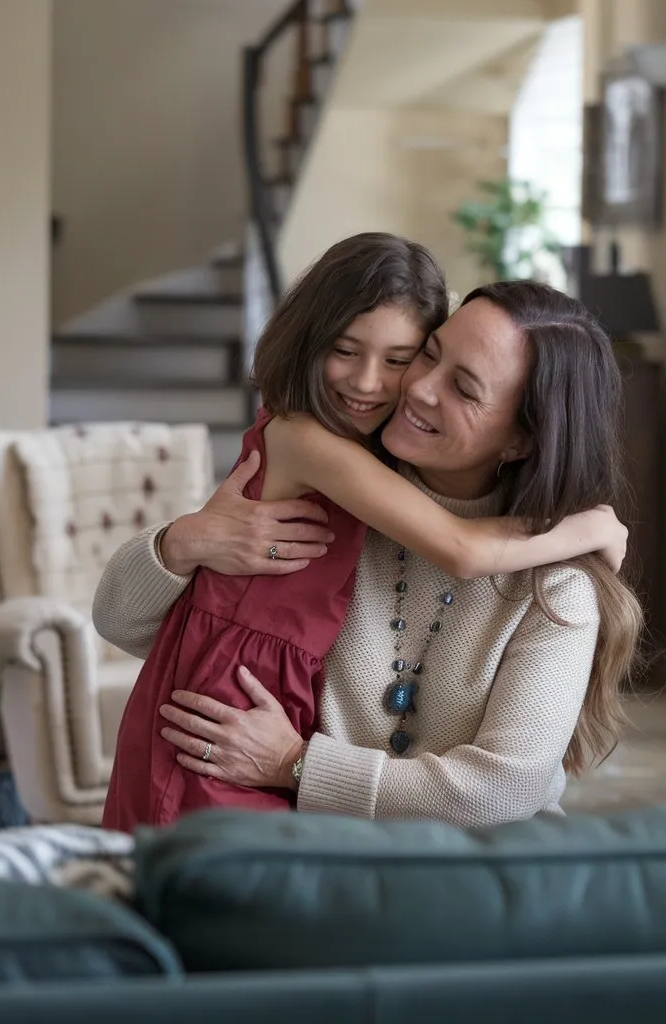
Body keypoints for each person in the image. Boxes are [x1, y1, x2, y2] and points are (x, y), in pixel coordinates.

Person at [101, 236, 628, 833]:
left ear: (522, 439)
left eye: (463, 387)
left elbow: (502, 792)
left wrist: (297, 764)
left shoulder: (556, 587)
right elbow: (125, 624)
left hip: (457, 869)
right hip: (302, 840)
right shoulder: (332, 491)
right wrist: (181, 543)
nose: (417, 388)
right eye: (429, 355)